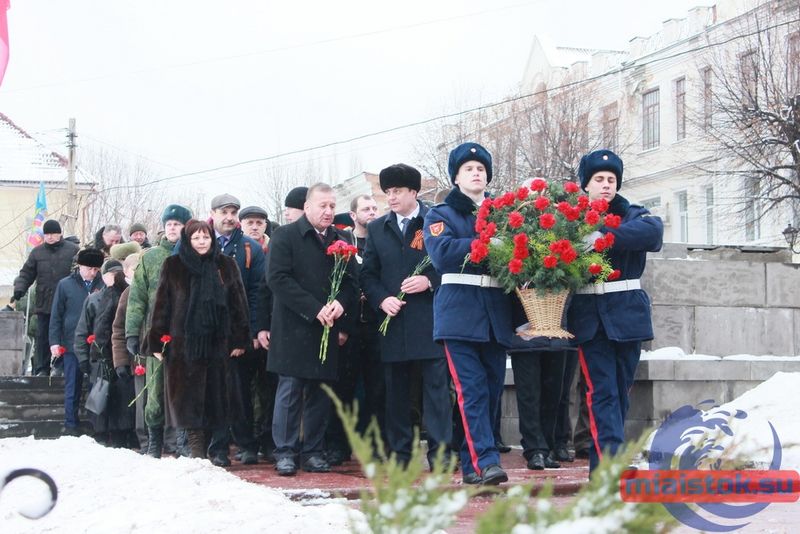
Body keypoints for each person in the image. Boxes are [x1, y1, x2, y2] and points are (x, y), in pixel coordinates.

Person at [423, 142, 514, 485]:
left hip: (495, 313)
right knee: (472, 390)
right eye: (468, 169)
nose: (476, 174)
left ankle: (471, 465)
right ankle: (487, 461)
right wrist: (488, 245)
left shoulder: (504, 214)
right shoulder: (440, 214)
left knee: (490, 392)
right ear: (456, 178)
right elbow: (443, 254)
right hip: (459, 314)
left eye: (481, 169)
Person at [567, 149, 664, 473]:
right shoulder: (572, 218)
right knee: (602, 391)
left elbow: (653, 234)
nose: (606, 184)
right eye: (599, 179)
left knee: (621, 391)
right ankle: (607, 466)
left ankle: (610, 461)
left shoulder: (633, 213)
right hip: (590, 315)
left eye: (611, 179)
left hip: (626, 314)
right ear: (586, 184)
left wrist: (604, 237)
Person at [361, 164, 452, 470]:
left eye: (398, 191)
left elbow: (450, 263)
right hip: (394, 322)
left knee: (436, 393)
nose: (391, 197)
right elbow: (368, 274)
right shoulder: (378, 228)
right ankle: (400, 455)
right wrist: (381, 299)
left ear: (414, 192)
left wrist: (429, 281)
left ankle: (441, 455)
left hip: (430, 321)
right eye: (387, 192)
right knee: (396, 394)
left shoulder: (435, 222)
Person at [267, 183, 358, 476]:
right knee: (291, 391)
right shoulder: (285, 236)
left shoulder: (341, 239)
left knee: (321, 392)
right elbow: (277, 279)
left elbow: (351, 282)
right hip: (294, 326)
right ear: (307, 207)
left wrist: (340, 304)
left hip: (327, 327)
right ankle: (285, 452)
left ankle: (313, 451)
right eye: (323, 205)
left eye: (332, 206)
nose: (329, 211)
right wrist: (314, 308)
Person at [149, 219, 251, 459]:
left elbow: (238, 303)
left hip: (218, 343)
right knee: (188, 401)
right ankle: (197, 453)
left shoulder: (226, 265)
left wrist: (240, 339)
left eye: (206, 237)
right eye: (196, 238)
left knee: (217, 399)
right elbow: (162, 304)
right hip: (183, 345)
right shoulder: (173, 265)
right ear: (187, 240)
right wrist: (157, 340)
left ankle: (214, 452)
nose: (202, 242)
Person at [206, 194, 270, 466]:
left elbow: (258, 292)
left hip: (237, 333)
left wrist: (253, 331)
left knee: (239, 390)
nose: (229, 217)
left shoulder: (249, 248)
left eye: (233, 212)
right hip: (207, 332)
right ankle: (217, 447)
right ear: (213, 214)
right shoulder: (199, 242)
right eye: (224, 212)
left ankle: (246, 444)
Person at [125, 204, 192, 457]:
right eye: (169, 224)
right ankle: (154, 441)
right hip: (157, 334)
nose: (172, 228)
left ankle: (183, 441)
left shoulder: (193, 256)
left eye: (177, 224)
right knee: (155, 390)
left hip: (186, 334)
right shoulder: (150, 257)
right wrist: (132, 333)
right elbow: (137, 298)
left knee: (184, 388)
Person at [325, 194, 384, 465]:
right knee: (342, 389)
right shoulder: (342, 241)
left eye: (374, 208)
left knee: (377, 390)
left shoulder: (381, 240)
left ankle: (375, 445)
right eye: (366, 209)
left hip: (376, 326)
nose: (371, 213)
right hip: (347, 327)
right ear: (353, 215)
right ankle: (337, 445)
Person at [231, 203, 278, 462]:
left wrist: (263, 327)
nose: (255, 226)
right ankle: (245, 442)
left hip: (272, 331)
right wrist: (249, 330)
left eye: (260, 222)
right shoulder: (238, 249)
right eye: (250, 222)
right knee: (242, 390)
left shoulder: (275, 248)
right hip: (243, 331)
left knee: (271, 388)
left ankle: (269, 439)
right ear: (242, 224)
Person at [74, 259, 134, 447]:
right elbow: (82, 331)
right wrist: (83, 358)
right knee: (99, 399)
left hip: (122, 356)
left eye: (118, 273)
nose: (114, 277)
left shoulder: (129, 296)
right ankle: (99, 434)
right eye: (111, 274)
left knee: (122, 400)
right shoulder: (94, 300)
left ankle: (121, 435)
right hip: (100, 358)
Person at [12, 219, 80, 377]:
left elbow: (79, 273)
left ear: (60, 234)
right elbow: (27, 273)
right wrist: (20, 288)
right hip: (45, 303)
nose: (50, 237)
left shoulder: (73, 250)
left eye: (53, 234)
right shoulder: (37, 252)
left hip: (67, 303)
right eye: (47, 234)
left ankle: (60, 366)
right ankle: (42, 368)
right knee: (43, 337)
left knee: (65, 336)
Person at [49, 248, 105, 435]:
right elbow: (56, 315)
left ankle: (96, 425)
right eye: (89, 268)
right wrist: (54, 342)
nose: (93, 273)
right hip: (71, 342)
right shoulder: (65, 285)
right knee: (72, 385)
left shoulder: (103, 284)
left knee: (97, 386)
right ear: (80, 266)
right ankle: (70, 424)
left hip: (97, 344)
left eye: (96, 269)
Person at [111, 252, 146, 451]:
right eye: (135, 268)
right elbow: (118, 330)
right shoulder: (127, 294)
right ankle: (143, 439)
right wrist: (121, 361)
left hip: (155, 353)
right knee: (140, 402)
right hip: (136, 357)